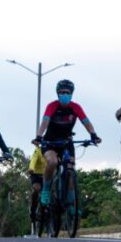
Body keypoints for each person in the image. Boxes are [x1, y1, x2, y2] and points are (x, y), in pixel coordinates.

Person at [30, 79, 101, 212]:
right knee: (52, 162)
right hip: (50, 142)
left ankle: (70, 203)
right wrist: (39, 136)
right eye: (61, 92)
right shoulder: (52, 106)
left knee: (70, 171)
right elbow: (44, 121)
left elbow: (86, 121)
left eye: (67, 92)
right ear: (57, 94)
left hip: (66, 143)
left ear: (72, 94)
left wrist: (93, 135)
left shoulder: (75, 107)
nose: (64, 95)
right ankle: (45, 190)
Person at [27, 144, 46, 234]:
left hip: (47, 176)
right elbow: (33, 160)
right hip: (36, 175)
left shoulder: (52, 152)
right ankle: (33, 209)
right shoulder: (38, 150)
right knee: (37, 189)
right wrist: (31, 168)